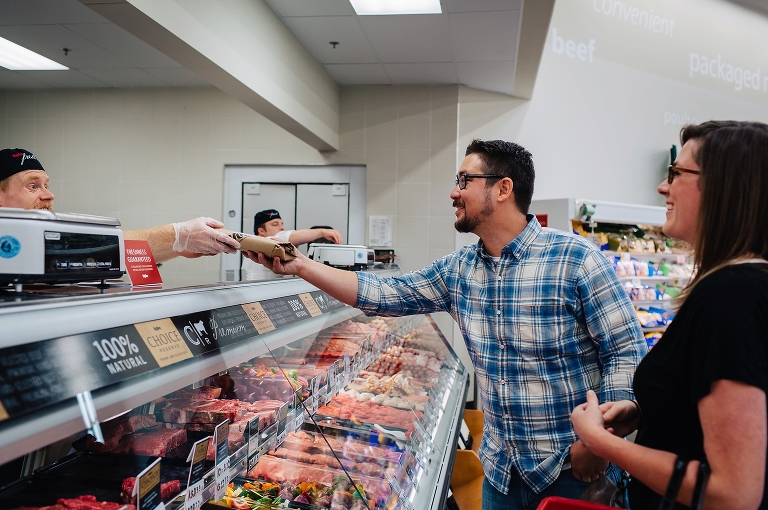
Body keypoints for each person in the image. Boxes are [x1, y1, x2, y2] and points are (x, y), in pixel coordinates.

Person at [246, 139, 646, 509]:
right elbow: (381, 293)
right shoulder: (459, 270)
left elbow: (625, 350)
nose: (454, 192)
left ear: (502, 189)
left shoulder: (577, 259)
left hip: (575, 471)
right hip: (502, 476)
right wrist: (299, 265)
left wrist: (599, 442)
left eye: (464, 181)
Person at [570, 121, 768, 509]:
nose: (663, 187)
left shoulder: (730, 295)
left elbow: (733, 492)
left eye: (677, 173)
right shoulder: (749, 285)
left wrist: (602, 443)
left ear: (724, 187)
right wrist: (649, 412)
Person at [0, 148, 239, 262]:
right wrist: (179, 235)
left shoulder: (48, 234)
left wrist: (177, 246)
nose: (49, 195)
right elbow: (94, 248)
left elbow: (99, 251)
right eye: (33, 186)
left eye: (46, 185)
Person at [241, 209, 342, 280]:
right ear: (261, 231)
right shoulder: (268, 242)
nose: (281, 228)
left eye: (282, 224)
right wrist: (322, 232)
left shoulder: (253, 249)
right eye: (275, 224)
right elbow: (290, 237)